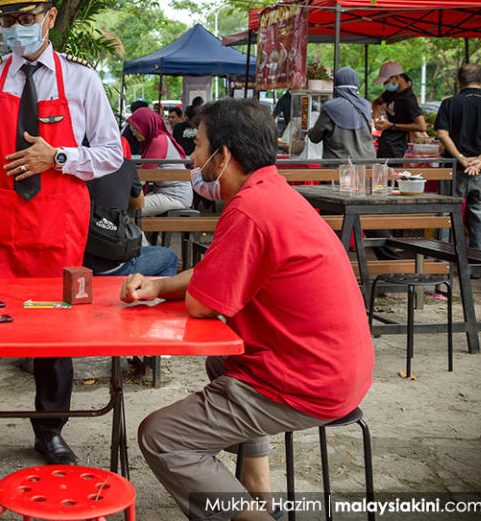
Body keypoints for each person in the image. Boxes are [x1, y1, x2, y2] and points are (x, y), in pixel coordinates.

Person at [121, 98, 374, 521]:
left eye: (199, 146)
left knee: (162, 436)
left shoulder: (251, 211)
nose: (192, 156)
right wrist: (159, 286)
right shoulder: (272, 193)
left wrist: (165, 292)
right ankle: (258, 488)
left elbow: (202, 304)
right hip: (340, 368)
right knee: (224, 361)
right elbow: (213, 272)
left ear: (224, 156)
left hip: (310, 381)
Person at [0, 0, 123, 473]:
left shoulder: (83, 80)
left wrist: (60, 157)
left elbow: (112, 154)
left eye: (27, 19)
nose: (17, 30)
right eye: (8, 21)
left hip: (57, 234)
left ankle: (50, 431)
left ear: (49, 18)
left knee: (56, 338)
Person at [84, 136, 178, 277]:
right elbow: (139, 204)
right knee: (169, 257)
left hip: (75, 264)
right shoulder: (126, 165)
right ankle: (148, 295)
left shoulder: (70, 166)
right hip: (116, 265)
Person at [435, 64, 481, 252]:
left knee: (447, 217)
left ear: (458, 81)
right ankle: (477, 265)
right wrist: (480, 160)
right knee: (479, 220)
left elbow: (442, 134)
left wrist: (461, 158)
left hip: (454, 170)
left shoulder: (450, 103)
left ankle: (444, 261)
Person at [128, 107, 193, 215]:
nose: (134, 133)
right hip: (166, 192)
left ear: (146, 126)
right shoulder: (157, 139)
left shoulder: (159, 141)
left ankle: (137, 233)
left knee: (130, 208)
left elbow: (143, 174)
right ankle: (139, 232)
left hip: (175, 195)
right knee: (129, 205)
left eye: (135, 129)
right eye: (132, 130)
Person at [307, 66, 375, 160]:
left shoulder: (330, 107)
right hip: (367, 163)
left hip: (340, 166)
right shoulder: (366, 105)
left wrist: (309, 131)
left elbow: (315, 137)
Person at [373, 62, 426, 158]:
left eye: (386, 82)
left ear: (397, 78)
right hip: (385, 143)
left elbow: (422, 126)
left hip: (396, 147)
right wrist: (375, 110)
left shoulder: (409, 99)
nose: (385, 85)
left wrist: (391, 126)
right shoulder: (391, 93)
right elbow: (377, 101)